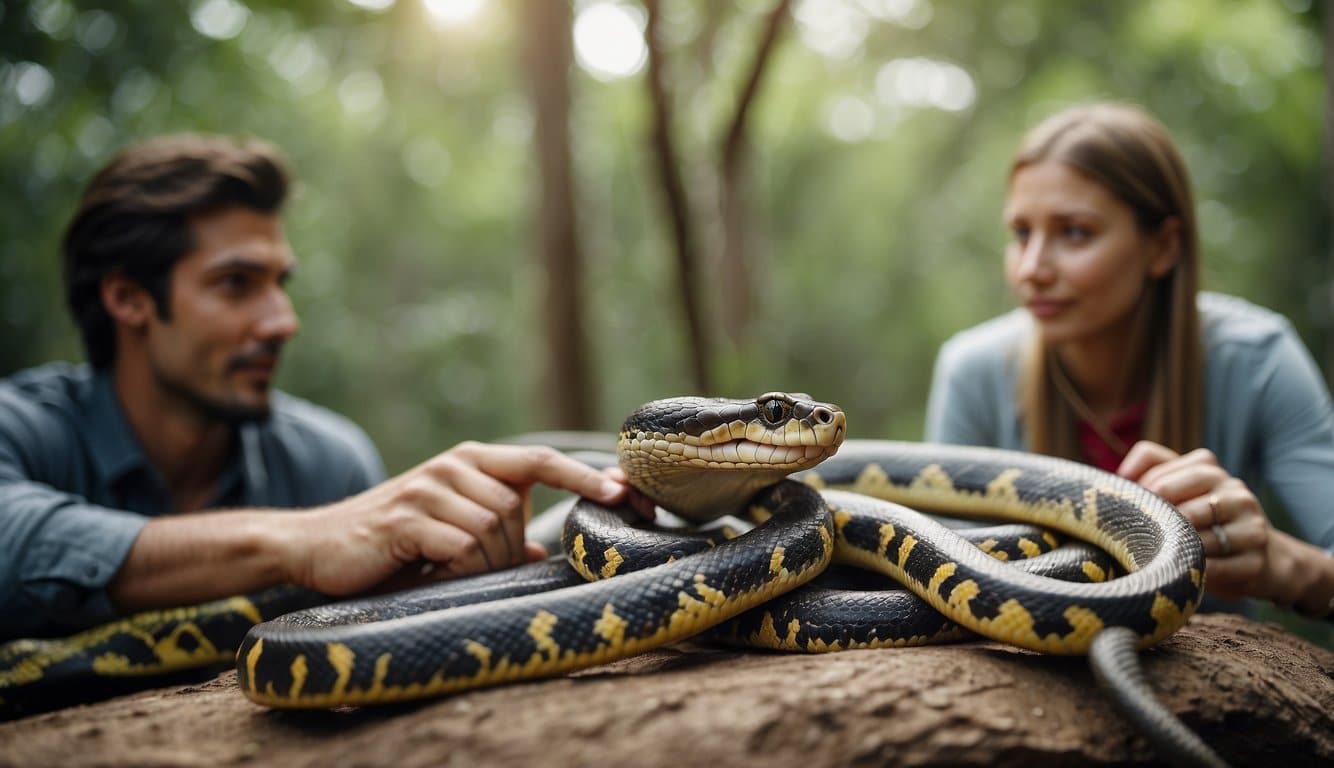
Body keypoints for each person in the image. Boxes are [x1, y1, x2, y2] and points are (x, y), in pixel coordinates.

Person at [0, 134, 628, 641]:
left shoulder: (328, 460)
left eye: (281, 283)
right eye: (237, 284)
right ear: (128, 299)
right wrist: (303, 541)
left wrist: (443, 579)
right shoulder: (25, 429)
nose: (282, 321)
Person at [925, 102, 1334, 621]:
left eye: (1074, 232)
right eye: (1022, 233)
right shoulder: (973, 371)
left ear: (1163, 246)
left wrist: (1281, 563)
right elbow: (941, 568)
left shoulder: (1258, 360)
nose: (1031, 269)